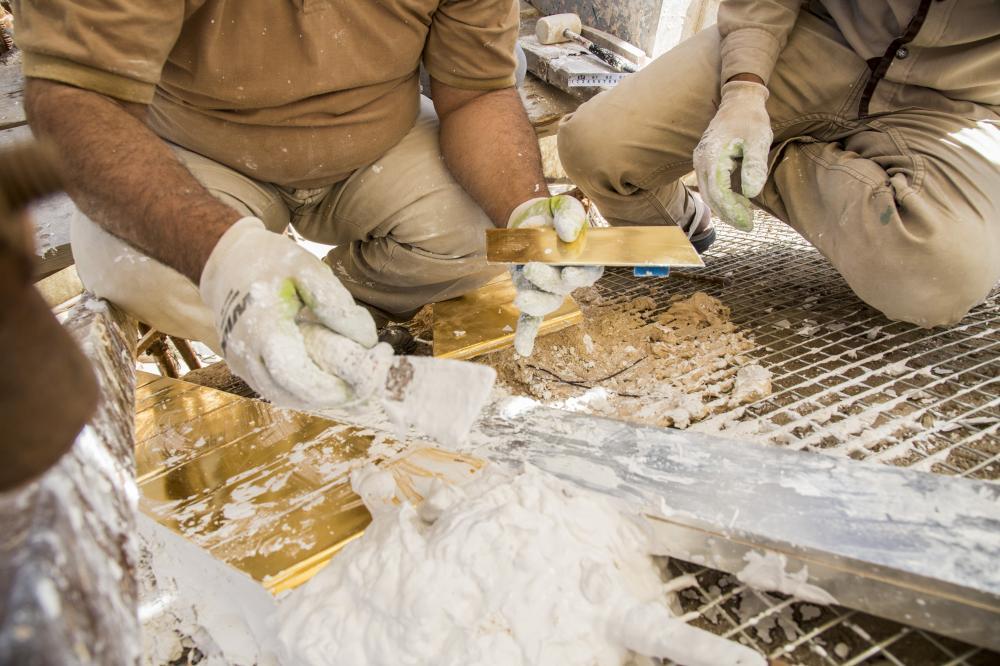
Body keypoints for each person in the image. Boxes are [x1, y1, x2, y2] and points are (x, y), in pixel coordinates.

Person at [13, 0, 601, 410]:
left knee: (481, 236)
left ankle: (338, 317)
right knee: (133, 263)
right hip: (200, 153)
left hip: (377, 143)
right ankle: (281, 327)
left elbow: (475, 93)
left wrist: (526, 214)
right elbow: (79, 102)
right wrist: (227, 257)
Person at [559, 0, 1000, 328]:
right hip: (816, 36)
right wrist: (744, 91)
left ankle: (752, 157)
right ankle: (688, 220)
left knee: (937, 279)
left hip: (961, 99)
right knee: (595, 148)